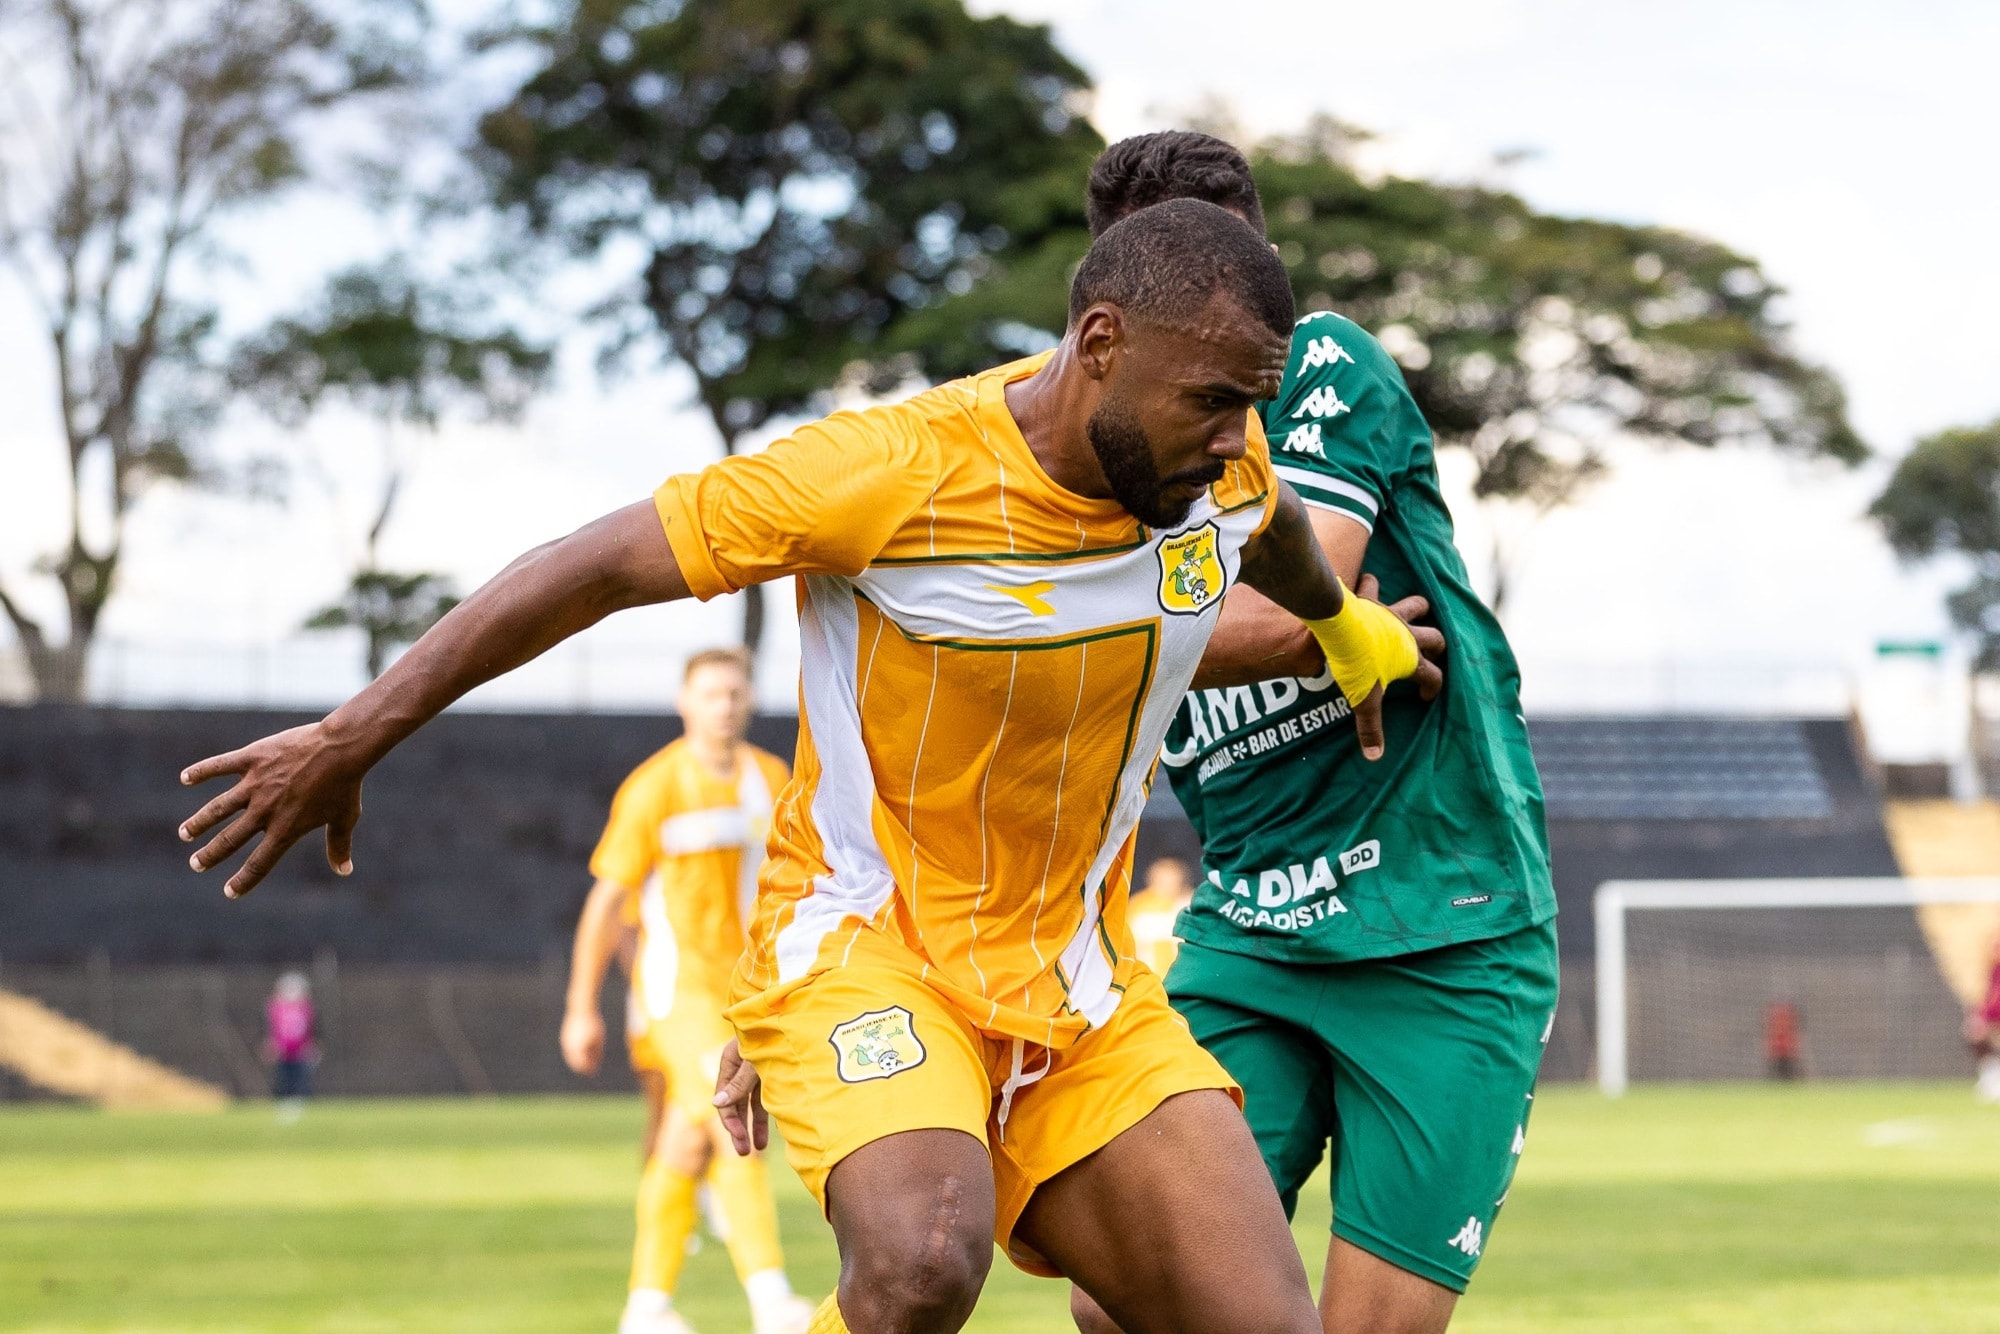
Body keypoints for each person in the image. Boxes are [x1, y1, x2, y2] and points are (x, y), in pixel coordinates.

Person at [177, 198, 1438, 1334]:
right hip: (864, 943)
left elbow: (1271, 534)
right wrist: (355, 734)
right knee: (921, 1256)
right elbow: (598, 564)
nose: (1235, 439)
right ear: (1100, 342)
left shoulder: (1218, 473)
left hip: (1080, 987)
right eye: (1211, 401)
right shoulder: (885, 474)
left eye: (1249, 406)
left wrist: (1352, 633)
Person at [1068, 133, 1560, 1334]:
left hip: (1441, 924)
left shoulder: (1325, 359)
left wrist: (1078, 621)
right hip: (1253, 927)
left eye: (1225, 266)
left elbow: (1296, 593)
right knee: (1119, 1297)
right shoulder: (1085, 449)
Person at [562, 647, 815, 1334]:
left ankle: (646, 1308)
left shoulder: (772, 777)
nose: (724, 705)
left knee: (685, 1143)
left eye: (734, 693)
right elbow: (605, 904)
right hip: (680, 994)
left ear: (749, 699)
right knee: (736, 1123)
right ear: (685, 703)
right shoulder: (654, 788)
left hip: (747, 995)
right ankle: (772, 1300)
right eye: (710, 694)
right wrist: (581, 1006)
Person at [1127, 856, 1196, 976]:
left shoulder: (1192, 904)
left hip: (1185, 977)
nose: (1168, 883)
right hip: (1151, 979)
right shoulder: (1139, 906)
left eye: (1172, 878)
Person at [264, 971, 316, 1122]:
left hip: (300, 1051)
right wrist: (269, 1044)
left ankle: (300, 1105)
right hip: (282, 1051)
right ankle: (283, 1104)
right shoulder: (275, 1007)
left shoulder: (306, 1008)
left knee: (300, 1078)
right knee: (283, 1078)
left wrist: (313, 1045)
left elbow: (313, 1028)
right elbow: (269, 1028)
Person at [1965, 935, 2000, 1103]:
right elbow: (1991, 1000)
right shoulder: (1993, 972)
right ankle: (1992, 1076)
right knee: (1974, 1030)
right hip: (1994, 1018)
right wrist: (1981, 1016)